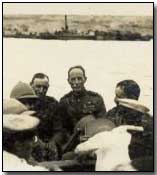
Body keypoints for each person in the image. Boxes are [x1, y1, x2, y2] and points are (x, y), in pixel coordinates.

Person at [106, 80, 153, 171]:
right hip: (114, 162)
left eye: (119, 96)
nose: (115, 99)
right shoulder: (111, 114)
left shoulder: (148, 120)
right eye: (115, 95)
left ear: (131, 98)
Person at [59, 65, 106, 155]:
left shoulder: (96, 99)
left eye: (79, 78)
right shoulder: (64, 101)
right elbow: (63, 129)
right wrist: (74, 140)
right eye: (73, 79)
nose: (76, 82)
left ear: (85, 79)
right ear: (68, 81)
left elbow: (103, 124)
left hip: (93, 143)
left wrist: (91, 137)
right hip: (72, 144)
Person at [10, 81, 61, 162]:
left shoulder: (30, 122)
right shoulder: (7, 126)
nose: (28, 106)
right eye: (23, 102)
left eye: (31, 103)